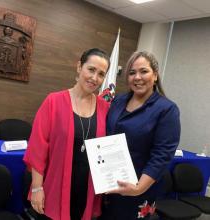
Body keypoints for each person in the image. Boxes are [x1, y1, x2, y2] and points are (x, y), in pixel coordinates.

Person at [23, 48, 110, 220]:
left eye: (101, 74)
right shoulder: (53, 101)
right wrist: (36, 188)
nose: (94, 78)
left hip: (87, 190)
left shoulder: (105, 108)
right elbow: (38, 149)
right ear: (79, 67)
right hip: (54, 188)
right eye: (91, 69)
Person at [99, 51, 181, 220]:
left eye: (143, 71)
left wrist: (137, 188)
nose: (137, 77)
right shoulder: (118, 101)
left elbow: (161, 156)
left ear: (155, 75)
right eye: (132, 73)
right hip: (108, 185)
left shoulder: (166, 110)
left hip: (139, 191)